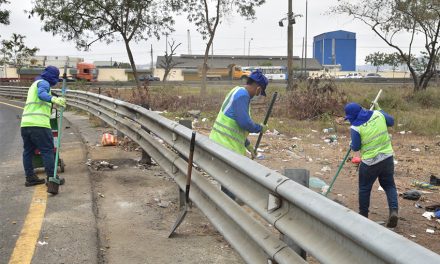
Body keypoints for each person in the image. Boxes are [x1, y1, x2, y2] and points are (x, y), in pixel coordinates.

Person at [209, 70, 268, 199]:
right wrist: (259, 128)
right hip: (226, 146)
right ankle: (230, 209)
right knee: (231, 181)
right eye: (260, 91)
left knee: (228, 179)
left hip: (221, 142)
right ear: (258, 88)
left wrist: (249, 147)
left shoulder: (237, 91)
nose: (259, 94)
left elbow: (235, 129)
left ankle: (229, 205)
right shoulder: (243, 96)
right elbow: (244, 123)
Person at [344, 101, 398, 228]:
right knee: (389, 185)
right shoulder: (378, 114)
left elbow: (356, 146)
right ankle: (394, 211)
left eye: (349, 117)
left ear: (354, 115)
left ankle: (363, 216)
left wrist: (351, 144)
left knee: (364, 188)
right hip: (387, 158)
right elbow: (391, 122)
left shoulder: (356, 127)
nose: (349, 120)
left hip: (370, 163)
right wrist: (381, 109)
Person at [21, 66, 66, 187]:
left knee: (28, 151)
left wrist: (53, 99)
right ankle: (52, 178)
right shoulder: (44, 83)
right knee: (47, 151)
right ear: (52, 76)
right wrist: (54, 99)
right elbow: (42, 95)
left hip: (25, 124)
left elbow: (40, 100)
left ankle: (30, 178)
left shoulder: (34, 84)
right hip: (39, 124)